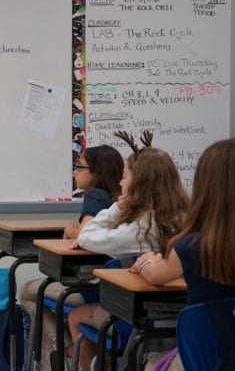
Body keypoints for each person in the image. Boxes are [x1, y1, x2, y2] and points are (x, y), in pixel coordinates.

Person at [66, 131, 189, 371]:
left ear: (139, 183)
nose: (120, 183)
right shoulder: (183, 217)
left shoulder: (142, 226)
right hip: (181, 317)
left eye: (124, 177)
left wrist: (115, 209)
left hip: (136, 317)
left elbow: (86, 236)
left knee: (75, 316)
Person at [129, 138, 235, 371]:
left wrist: (149, 260)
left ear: (205, 186)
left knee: (150, 364)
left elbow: (155, 276)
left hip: (205, 359)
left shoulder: (189, 247)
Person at [18, 145, 124, 370]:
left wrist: (72, 230)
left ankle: (66, 349)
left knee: (27, 291)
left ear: (97, 171)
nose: (75, 172)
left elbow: (86, 235)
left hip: (90, 286)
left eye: (80, 167)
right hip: (114, 289)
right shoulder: (119, 198)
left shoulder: (95, 195)